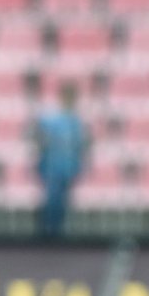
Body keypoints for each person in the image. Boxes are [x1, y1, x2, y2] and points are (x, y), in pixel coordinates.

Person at [32, 81, 89, 238]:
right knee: (53, 199)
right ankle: (47, 231)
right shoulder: (51, 118)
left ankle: (56, 232)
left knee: (62, 200)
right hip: (52, 167)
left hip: (68, 167)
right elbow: (39, 139)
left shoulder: (76, 121)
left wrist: (79, 165)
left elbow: (81, 145)